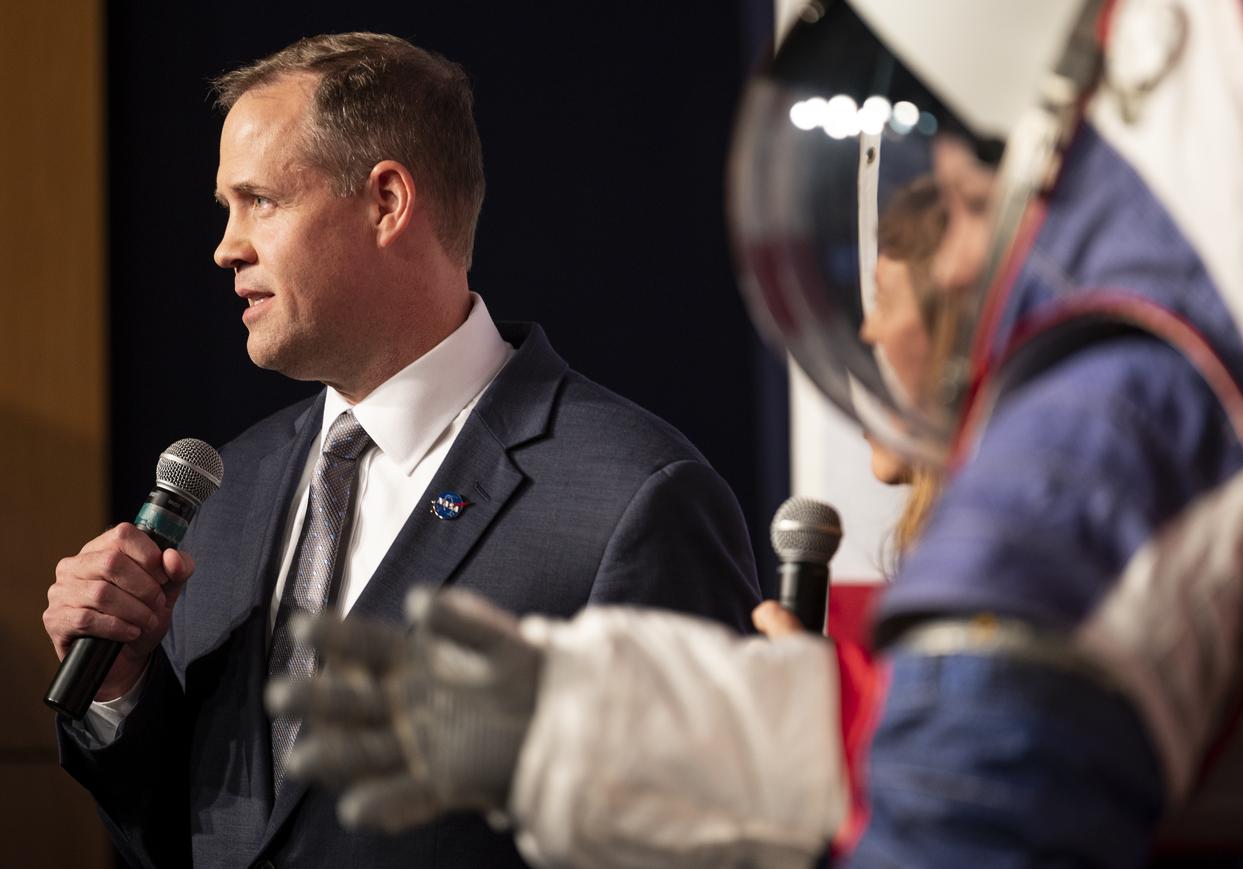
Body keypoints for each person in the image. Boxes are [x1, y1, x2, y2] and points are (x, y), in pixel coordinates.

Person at [268, 0, 1243, 866]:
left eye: (971, 198)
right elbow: (900, 733)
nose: (226, 244)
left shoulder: (1109, 422)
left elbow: (964, 794)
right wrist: (575, 721)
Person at [41, 32, 762, 869]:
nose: (226, 245)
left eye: (259, 200)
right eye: (224, 208)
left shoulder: (633, 498)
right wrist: (123, 687)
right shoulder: (228, 491)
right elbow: (190, 833)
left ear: (387, 202)